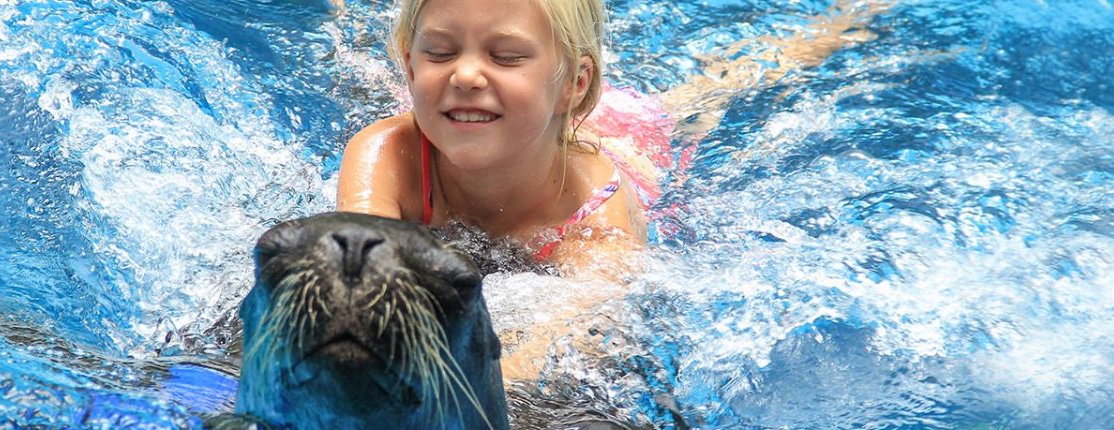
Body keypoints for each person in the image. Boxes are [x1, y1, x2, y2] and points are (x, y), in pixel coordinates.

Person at [336, 0, 890, 378]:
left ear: (575, 84)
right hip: (523, 117)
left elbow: (574, 334)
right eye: (438, 52)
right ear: (409, 65)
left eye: (505, 56)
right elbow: (355, 272)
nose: (466, 75)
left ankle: (848, 19)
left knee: (713, 92)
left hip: (630, 142)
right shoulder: (389, 152)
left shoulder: (597, 218)